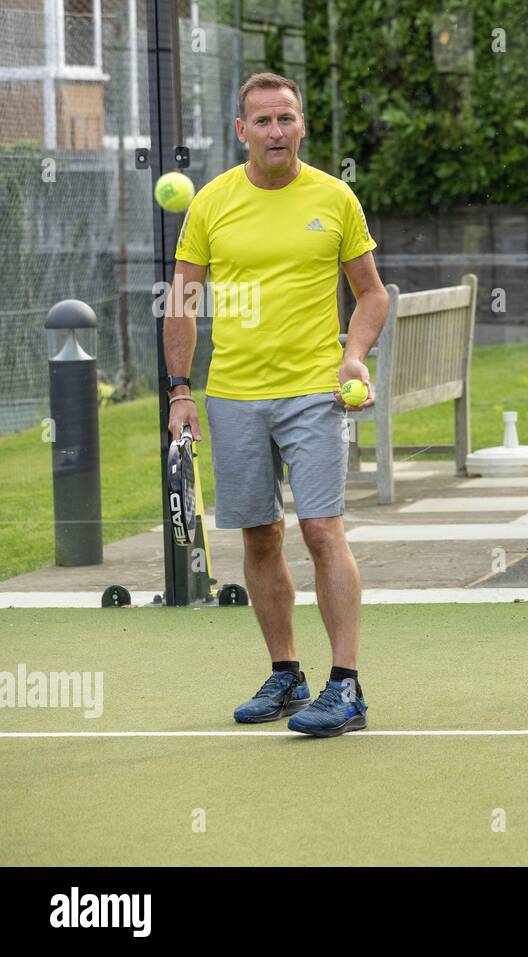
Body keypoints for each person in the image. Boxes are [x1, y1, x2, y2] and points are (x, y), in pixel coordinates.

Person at [163, 72, 389, 737]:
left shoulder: (335, 197)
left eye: (286, 119)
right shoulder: (210, 203)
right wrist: (181, 390)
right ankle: (286, 671)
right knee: (260, 534)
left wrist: (354, 355)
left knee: (322, 529)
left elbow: (370, 294)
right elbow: (183, 301)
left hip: (314, 392)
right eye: (262, 121)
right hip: (233, 394)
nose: (275, 132)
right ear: (242, 131)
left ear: (302, 125)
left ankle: (345, 685)